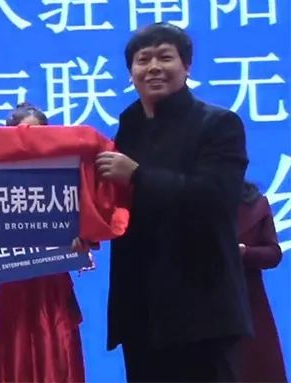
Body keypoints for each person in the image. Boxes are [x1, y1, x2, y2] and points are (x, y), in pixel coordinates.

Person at [95, 23, 252, 381]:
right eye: (143, 60)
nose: (153, 67)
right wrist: (86, 228)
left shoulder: (219, 123)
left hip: (201, 311)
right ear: (131, 72)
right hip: (140, 310)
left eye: (165, 57)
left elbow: (215, 199)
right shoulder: (129, 126)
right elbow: (116, 203)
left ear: (187, 66)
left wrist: (138, 176)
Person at [0, 102, 87, 382]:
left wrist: (84, 240)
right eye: (22, 134)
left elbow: (87, 226)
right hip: (13, 282)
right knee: (14, 356)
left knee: (58, 354)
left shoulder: (65, 177)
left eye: (38, 133)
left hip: (52, 284)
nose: (30, 141)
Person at [237, 181, 287, 382]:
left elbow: (274, 253)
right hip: (208, 303)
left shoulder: (256, 203)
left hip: (251, 303)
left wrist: (245, 253)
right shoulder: (197, 202)